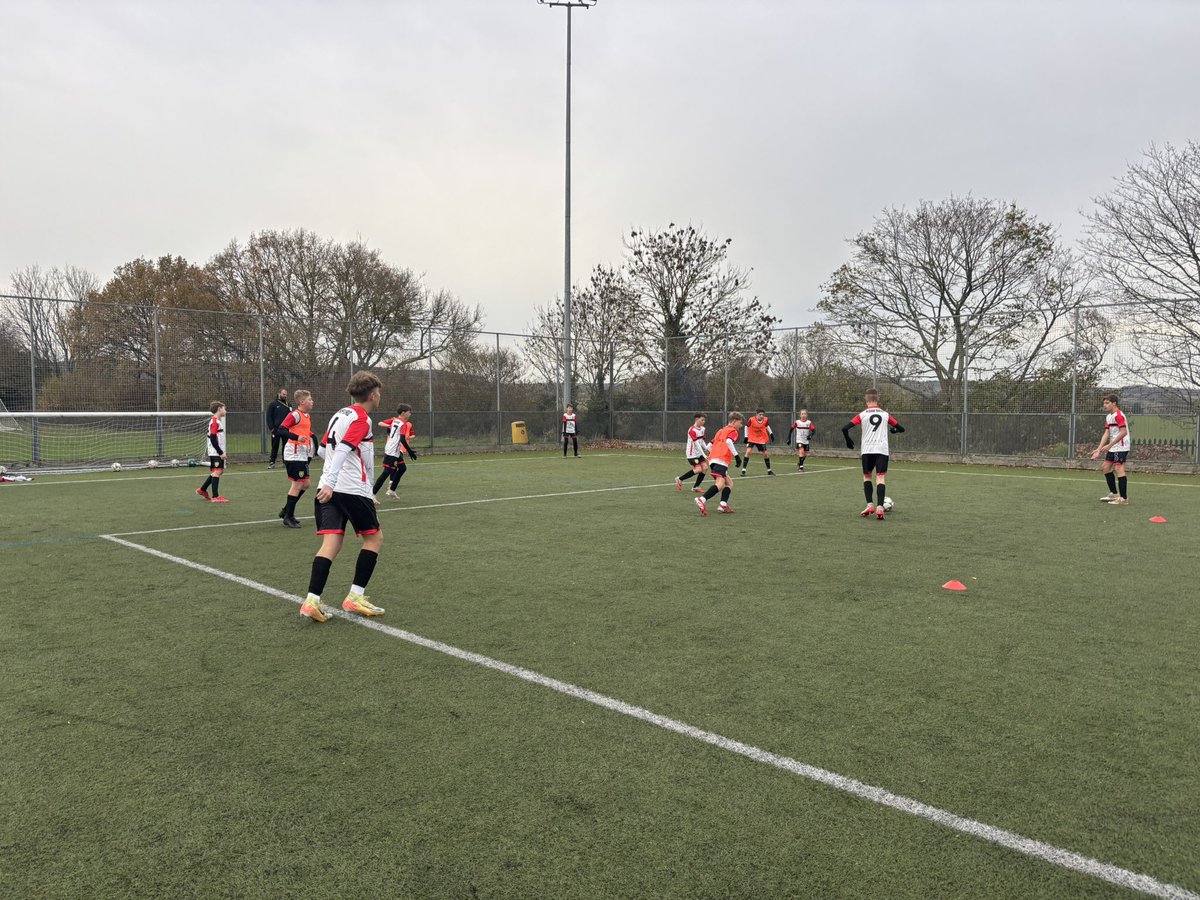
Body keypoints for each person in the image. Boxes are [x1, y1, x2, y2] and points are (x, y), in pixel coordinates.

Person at [299, 371, 387, 623]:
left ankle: (312, 601)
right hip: (349, 489)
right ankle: (355, 596)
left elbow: (322, 450)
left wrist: (329, 480)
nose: (379, 397)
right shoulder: (361, 418)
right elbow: (345, 449)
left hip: (330, 488)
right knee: (374, 539)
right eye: (379, 393)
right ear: (373, 395)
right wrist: (339, 480)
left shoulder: (340, 414)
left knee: (331, 543)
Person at [841, 389, 904, 520]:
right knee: (880, 478)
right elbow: (901, 429)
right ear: (878, 399)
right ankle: (880, 508)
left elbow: (844, 428)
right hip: (882, 449)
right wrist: (894, 430)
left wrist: (848, 440)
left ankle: (870, 505)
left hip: (867, 449)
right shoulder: (885, 414)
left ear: (866, 400)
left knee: (867, 476)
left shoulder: (863, 414)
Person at [275, 389, 315, 528]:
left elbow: (305, 432)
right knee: (297, 484)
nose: (312, 402)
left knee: (306, 484)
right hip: (294, 453)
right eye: (309, 399)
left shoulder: (306, 415)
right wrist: (296, 437)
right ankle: (288, 517)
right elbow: (281, 430)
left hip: (302, 453)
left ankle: (286, 510)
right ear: (302, 402)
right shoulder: (295, 414)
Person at [696, 412, 743, 515]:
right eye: (740, 423)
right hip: (721, 460)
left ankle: (723, 504)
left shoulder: (721, 431)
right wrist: (737, 456)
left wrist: (715, 454)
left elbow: (709, 446)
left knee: (729, 483)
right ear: (734, 421)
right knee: (720, 484)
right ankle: (702, 499)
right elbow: (728, 442)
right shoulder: (733, 431)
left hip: (713, 460)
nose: (741, 425)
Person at [1091, 393, 1131, 505]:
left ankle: (1124, 499)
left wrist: (1109, 445)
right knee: (1106, 467)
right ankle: (1114, 494)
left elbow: (1124, 432)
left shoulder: (1119, 415)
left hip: (1121, 446)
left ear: (1114, 403)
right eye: (1104, 403)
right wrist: (1099, 449)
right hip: (1113, 446)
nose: (1104, 405)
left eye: (1107, 403)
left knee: (1119, 469)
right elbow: (1106, 433)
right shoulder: (1109, 416)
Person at [373, 403, 418, 499]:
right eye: (409, 412)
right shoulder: (403, 423)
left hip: (394, 449)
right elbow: (402, 439)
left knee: (402, 468)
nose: (410, 414)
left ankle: (392, 490)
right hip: (392, 450)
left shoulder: (395, 420)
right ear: (403, 413)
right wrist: (410, 451)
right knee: (386, 472)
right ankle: (372, 494)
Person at [196, 401, 229, 503]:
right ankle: (215, 497)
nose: (226, 411)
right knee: (217, 472)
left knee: (219, 471)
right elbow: (213, 439)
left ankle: (202, 490)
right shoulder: (215, 422)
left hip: (216, 451)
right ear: (219, 409)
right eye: (224, 408)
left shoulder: (217, 421)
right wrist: (220, 452)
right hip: (215, 452)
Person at [675, 412, 710, 493]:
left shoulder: (703, 429)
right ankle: (680, 479)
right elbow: (697, 444)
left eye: (704, 420)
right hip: (692, 454)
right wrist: (704, 455)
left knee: (705, 468)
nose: (703, 422)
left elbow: (702, 441)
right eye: (702, 420)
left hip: (699, 453)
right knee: (698, 469)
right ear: (697, 419)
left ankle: (695, 487)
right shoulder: (692, 430)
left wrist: (707, 449)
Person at [741, 408, 774, 476]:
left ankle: (769, 470)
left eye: (762, 415)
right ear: (756, 414)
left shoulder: (765, 419)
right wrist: (746, 436)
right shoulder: (751, 419)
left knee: (765, 454)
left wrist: (771, 433)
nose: (761, 416)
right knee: (748, 452)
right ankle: (743, 470)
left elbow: (767, 426)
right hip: (752, 438)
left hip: (761, 438)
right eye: (760, 414)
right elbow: (746, 427)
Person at [265, 388, 291, 469]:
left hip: (286, 429)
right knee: (275, 446)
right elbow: (269, 417)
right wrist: (272, 428)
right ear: (279, 394)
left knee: (286, 446)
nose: (285, 396)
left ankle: (285, 462)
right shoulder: (273, 404)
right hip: (276, 429)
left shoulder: (289, 405)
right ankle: (272, 462)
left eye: (286, 395)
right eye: (283, 394)